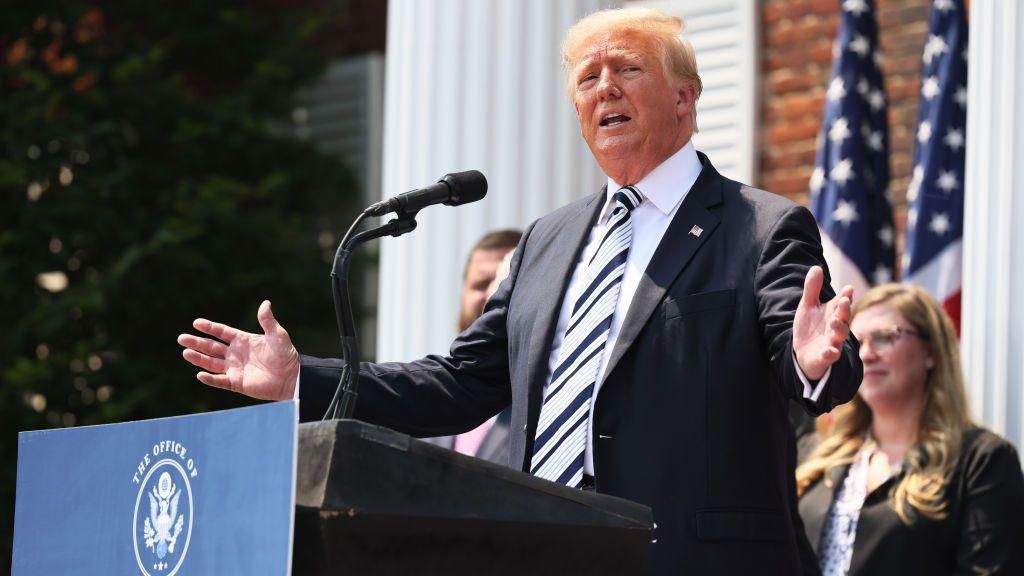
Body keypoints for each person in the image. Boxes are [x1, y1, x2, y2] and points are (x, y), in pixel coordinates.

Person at [177, 8, 863, 574]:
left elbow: (812, 361)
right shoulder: (548, 241)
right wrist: (304, 380)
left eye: (627, 69)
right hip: (552, 554)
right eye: (588, 80)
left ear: (684, 97)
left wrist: (810, 362)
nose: (604, 90)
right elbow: (460, 383)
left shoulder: (761, 227)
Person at [796, 284, 1024, 575]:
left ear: (931, 352)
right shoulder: (814, 453)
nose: (865, 354)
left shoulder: (982, 462)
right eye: (855, 341)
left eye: (884, 338)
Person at [423, 229, 522, 465]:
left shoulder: (545, 398)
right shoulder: (434, 396)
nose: (491, 294)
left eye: (505, 283)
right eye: (480, 284)